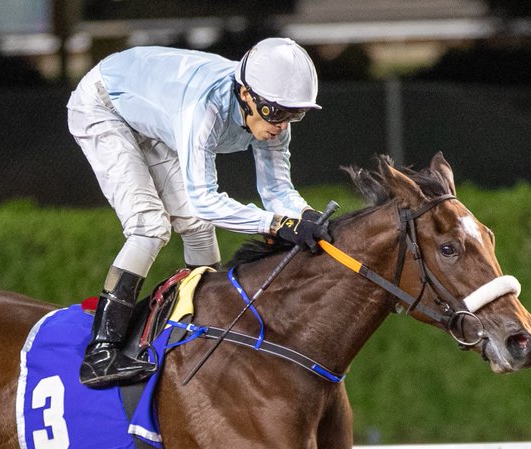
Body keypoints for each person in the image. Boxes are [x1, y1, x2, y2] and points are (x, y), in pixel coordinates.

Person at [67, 37, 332, 388]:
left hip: (154, 112)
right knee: (149, 226)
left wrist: (306, 215)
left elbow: (277, 191)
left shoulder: (270, 115)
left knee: (198, 227)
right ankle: (101, 352)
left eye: (294, 114)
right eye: (275, 112)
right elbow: (205, 199)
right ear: (246, 94)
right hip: (104, 106)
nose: (282, 125)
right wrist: (276, 223)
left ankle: (208, 328)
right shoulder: (205, 108)